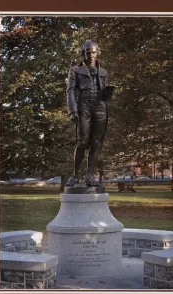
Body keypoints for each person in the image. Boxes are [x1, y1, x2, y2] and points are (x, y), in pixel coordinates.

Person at [65, 40, 114, 187]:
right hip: (84, 106)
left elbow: (105, 95)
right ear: (83, 54)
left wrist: (109, 93)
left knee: (96, 143)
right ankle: (74, 175)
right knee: (82, 141)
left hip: (100, 106)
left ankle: (90, 176)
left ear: (98, 52)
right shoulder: (75, 70)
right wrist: (72, 110)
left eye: (93, 52)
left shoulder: (104, 72)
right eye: (88, 53)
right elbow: (71, 90)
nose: (91, 55)